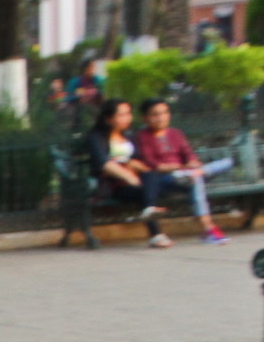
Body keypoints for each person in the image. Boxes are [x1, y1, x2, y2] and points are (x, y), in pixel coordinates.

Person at [133, 99, 231, 245]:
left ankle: (198, 174)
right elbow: (152, 164)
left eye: (165, 113)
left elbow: (189, 154)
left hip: (188, 174)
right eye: (155, 114)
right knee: (196, 179)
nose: (161, 117)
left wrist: (193, 163)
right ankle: (208, 227)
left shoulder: (175, 133)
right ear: (145, 118)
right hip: (167, 178)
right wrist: (180, 167)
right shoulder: (143, 136)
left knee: (227, 162)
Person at [86, 99, 170, 246]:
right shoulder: (96, 137)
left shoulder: (129, 135)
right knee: (146, 192)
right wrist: (127, 174)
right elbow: (104, 164)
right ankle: (155, 232)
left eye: (128, 114)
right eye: (121, 115)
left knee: (150, 178)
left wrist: (134, 166)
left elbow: (138, 160)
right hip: (114, 185)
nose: (127, 118)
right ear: (108, 118)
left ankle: (152, 220)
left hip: (137, 182)